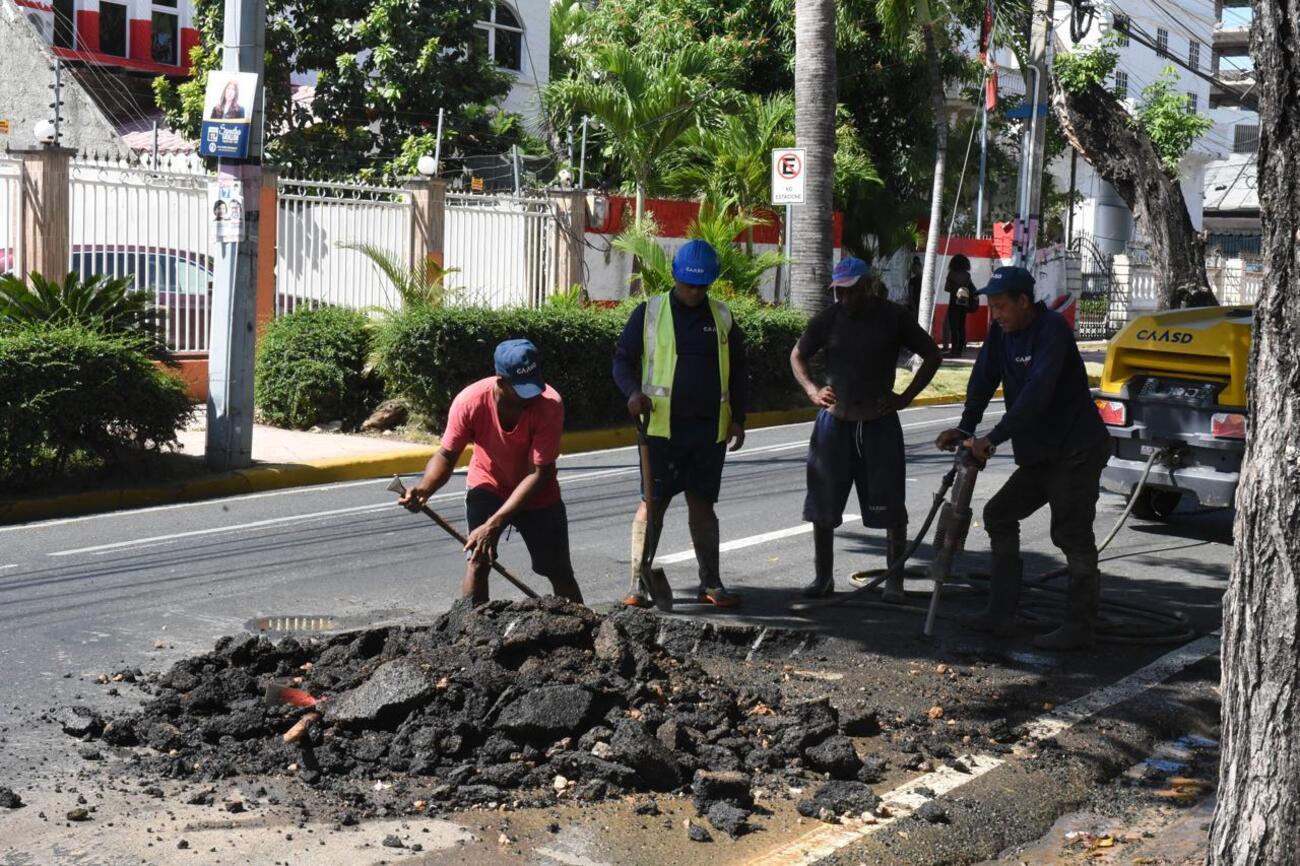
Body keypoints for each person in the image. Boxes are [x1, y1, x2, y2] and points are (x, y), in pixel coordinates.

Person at [935, 266, 1109, 650]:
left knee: (1071, 535)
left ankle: (1079, 627)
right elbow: (982, 380)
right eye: (991, 307)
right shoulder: (1001, 333)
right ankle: (1001, 615)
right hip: (1041, 454)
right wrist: (966, 429)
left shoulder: (1053, 332)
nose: (994, 315)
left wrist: (993, 439)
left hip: (1075, 451)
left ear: (1024, 302)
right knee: (999, 514)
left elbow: (1036, 395)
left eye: (1000, 306)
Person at [791, 256, 943, 599]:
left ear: (867, 286)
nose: (845, 299)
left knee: (890, 505)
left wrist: (904, 398)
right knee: (823, 505)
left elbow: (933, 355)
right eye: (839, 293)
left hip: (879, 425)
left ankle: (894, 582)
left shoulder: (894, 317)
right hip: (835, 424)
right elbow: (797, 355)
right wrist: (813, 391)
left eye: (851, 291)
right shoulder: (828, 320)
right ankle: (823, 579)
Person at [612, 240, 748, 610]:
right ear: (675, 277)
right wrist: (631, 392)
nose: (695, 292)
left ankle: (712, 582)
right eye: (690, 285)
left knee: (702, 505)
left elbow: (738, 372)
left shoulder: (722, 317)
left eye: (702, 286)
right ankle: (638, 584)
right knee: (651, 504)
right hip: (660, 432)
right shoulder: (649, 313)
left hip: (708, 433)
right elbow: (622, 360)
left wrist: (738, 419)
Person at [399, 339, 584, 605]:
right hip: (489, 484)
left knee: (557, 570)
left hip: (537, 492)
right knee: (478, 560)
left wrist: (494, 524)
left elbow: (539, 474)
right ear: (500, 381)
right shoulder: (470, 402)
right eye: (521, 389)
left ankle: (587, 633)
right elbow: (447, 455)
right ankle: (473, 633)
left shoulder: (549, 404)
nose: (530, 395)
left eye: (533, 385)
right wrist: (425, 488)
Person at [943, 254, 977, 357]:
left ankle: (954, 351)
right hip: (963, 304)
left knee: (953, 328)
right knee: (961, 327)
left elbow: (946, 288)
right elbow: (972, 288)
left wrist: (955, 289)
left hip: (953, 303)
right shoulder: (967, 275)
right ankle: (959, 351)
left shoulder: (951, 274)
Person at [906, 256, 923, 321]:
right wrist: (913, 308)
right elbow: (910, 294)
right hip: (915, 305)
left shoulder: (925, 280)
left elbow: (910, 294)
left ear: (920, 268)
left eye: (915, 268)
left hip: (920, 304)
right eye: (913, 268)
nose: (914, 270)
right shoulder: (912, 280)